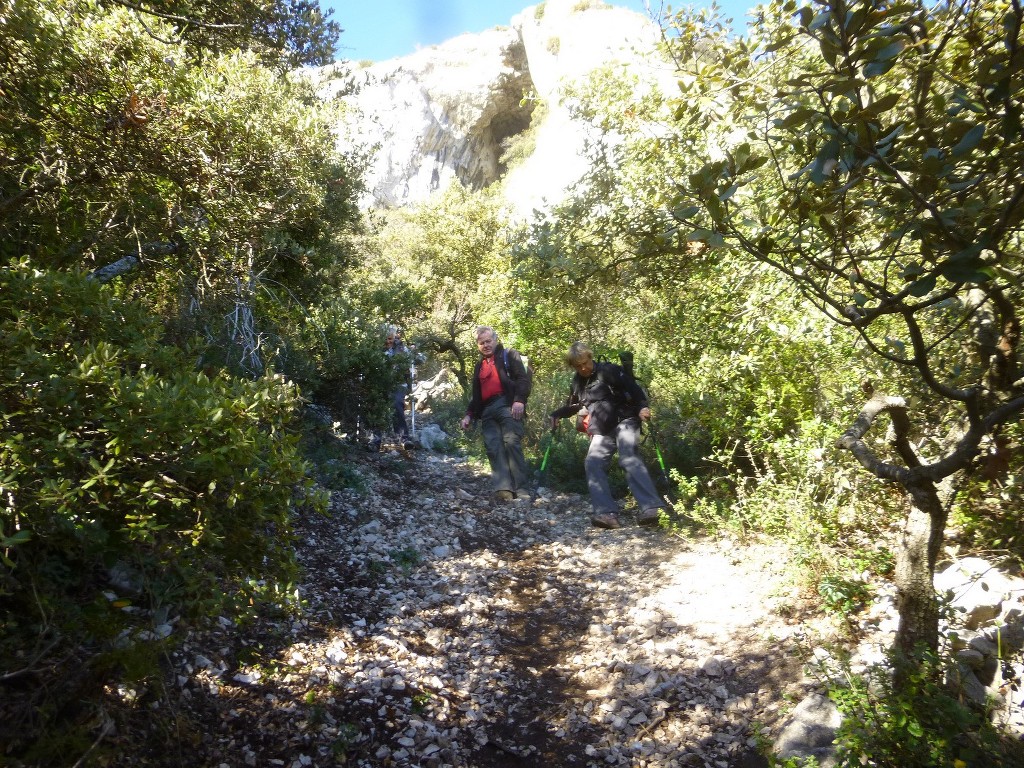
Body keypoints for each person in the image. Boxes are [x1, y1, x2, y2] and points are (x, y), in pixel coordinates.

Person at [550, 342, 665, 529]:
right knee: (593, 462)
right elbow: (575, 405)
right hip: (602, 428)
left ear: (590, 357)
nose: (583, 368)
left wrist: (643, 407)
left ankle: (652, 508)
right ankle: (606, 513)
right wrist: (558, 414)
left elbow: (634, 390)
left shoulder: (609, 371)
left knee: (628, 456)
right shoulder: (578, 381)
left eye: (585, 363)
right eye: (578, 366)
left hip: (625, 419)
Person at [459, 326, 531, 502]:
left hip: (507, 404)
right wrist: (469, 414)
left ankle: (522, 490)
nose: (485, 345)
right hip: (487, 410)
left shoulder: (509, 355)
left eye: (488, 341)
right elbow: (477, 395)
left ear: (495, 340)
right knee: (493, 447)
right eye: (481, 342)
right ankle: (504, 489)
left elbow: (523, 378)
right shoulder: (479, 366)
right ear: (478, 345)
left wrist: (519, 400)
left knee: (512, 443)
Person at [368, 326, 413, 451]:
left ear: (394, 338)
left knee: (397, 402)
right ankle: (375, 439)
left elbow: (411, 363)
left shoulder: (402, 349)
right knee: (376, 403)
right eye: (385, 339)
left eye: (390, 339)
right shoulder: (376, 349)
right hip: (381, 382)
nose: (388, 341)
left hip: (398, 383)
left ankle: (404, 438)